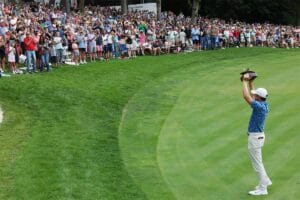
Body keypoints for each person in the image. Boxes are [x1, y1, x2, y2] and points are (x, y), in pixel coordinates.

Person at [242, 73, 272, 196]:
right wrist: (250, 83)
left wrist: (244, 81)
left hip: (255, 138)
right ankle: (265, 182)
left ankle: (263, 188)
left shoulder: (259, 107)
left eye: (255, 95)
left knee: (257, 164)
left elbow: (246, 96)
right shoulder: (264, 104)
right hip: (258, 136)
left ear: (258, 98)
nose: (253, 95)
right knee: (258, 162)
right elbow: (253, 95)